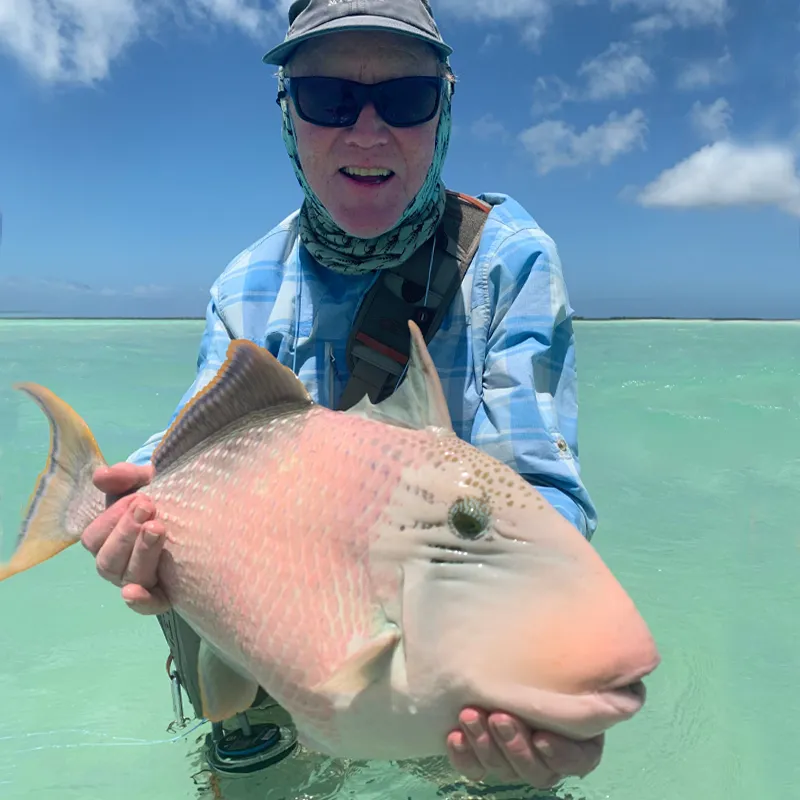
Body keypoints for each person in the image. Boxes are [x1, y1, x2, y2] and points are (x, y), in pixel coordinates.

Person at [80, 0, 603, 794]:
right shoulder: (244, 287)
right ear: (288, 113)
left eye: (404, 99)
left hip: (442, 643)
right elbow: (194, 449)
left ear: (445, 108)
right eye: (329, 98)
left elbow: (539, 490)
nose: (367, 132)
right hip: (273, 637)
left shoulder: (509, 264)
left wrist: (544, 659)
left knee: (515, 762)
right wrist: (123, 508)